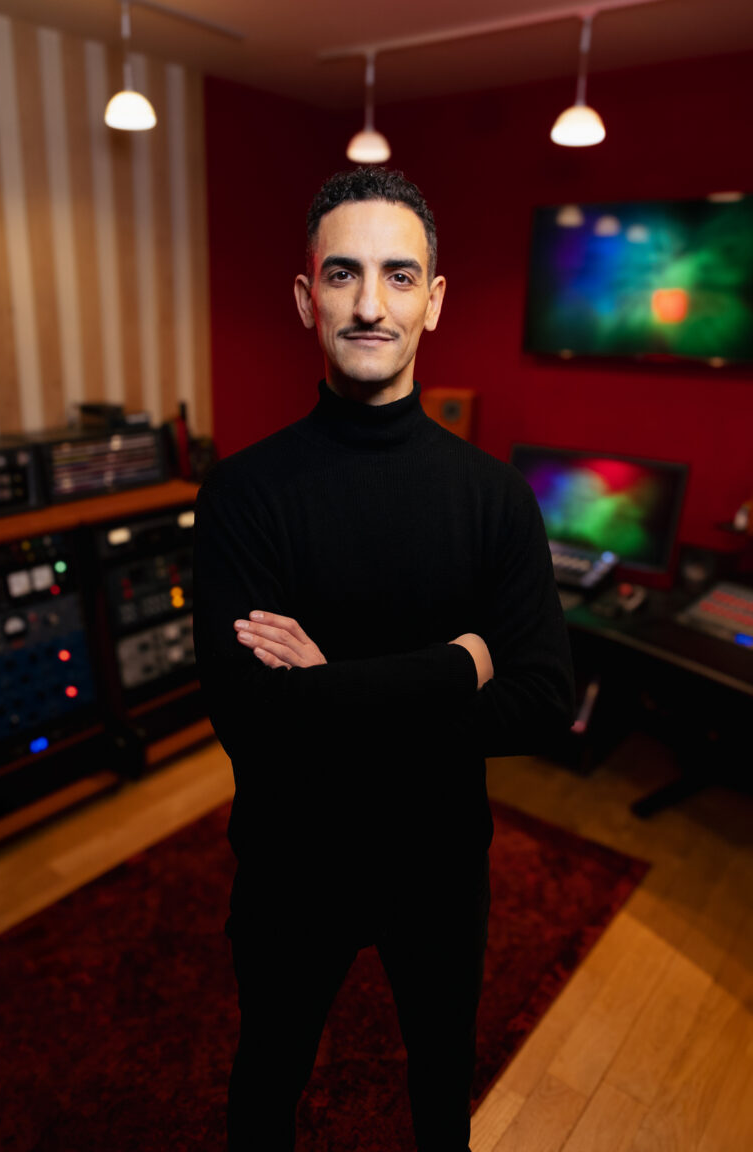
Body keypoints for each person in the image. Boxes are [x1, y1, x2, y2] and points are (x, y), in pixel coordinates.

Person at [192, 167, 574, 1152]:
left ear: (433, 301)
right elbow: (251, 718)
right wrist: (457, 663)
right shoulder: (241, 494)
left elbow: (544, 698)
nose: (371, 304)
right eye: (344, 274)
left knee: (443, 1093)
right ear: (305, 296)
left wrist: (326, 689)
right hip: (292, 865)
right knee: (268, 1081)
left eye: (399, 276)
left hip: (438, 866)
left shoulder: (496, 498)